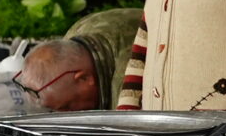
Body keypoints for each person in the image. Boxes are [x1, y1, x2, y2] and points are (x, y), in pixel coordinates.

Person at [14, 6, 148, 112]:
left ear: (84, 78)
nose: (65, 117)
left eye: (67, 106)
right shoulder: (78, 31)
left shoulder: (129, 91)